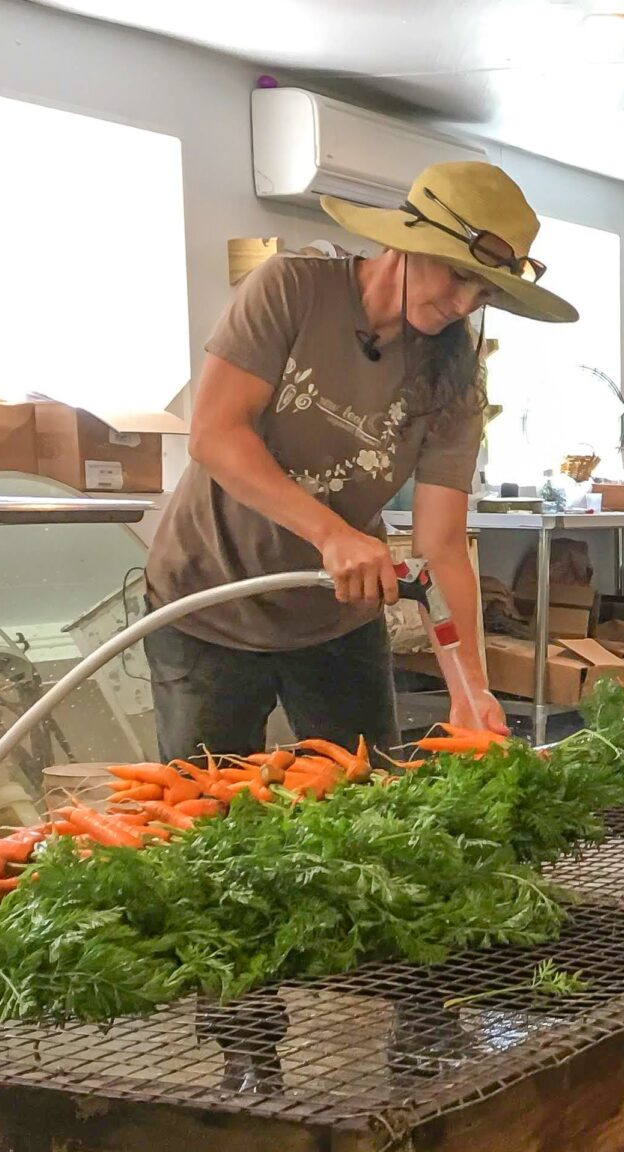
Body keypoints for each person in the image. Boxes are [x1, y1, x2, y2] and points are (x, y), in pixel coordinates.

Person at [144, 161, 577, 762]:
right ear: (404, 243)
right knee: (207, 810)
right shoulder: (290, 290)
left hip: (336, 620)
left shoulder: (455, 378)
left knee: (367, 800)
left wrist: (468, 689)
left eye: (483, 293)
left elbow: (443, 544)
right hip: (207, 603)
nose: (463, 305)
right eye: (456, 277)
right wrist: (331, 534)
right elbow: (215, 435)